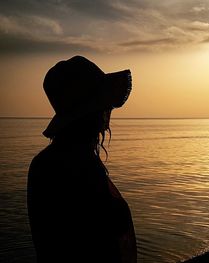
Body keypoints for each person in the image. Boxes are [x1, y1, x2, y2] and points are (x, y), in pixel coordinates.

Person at [27, 56, 137, 262]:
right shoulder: (78, 165)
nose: (107, 115)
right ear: (92, 113)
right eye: (104, 107)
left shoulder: (44, 163)